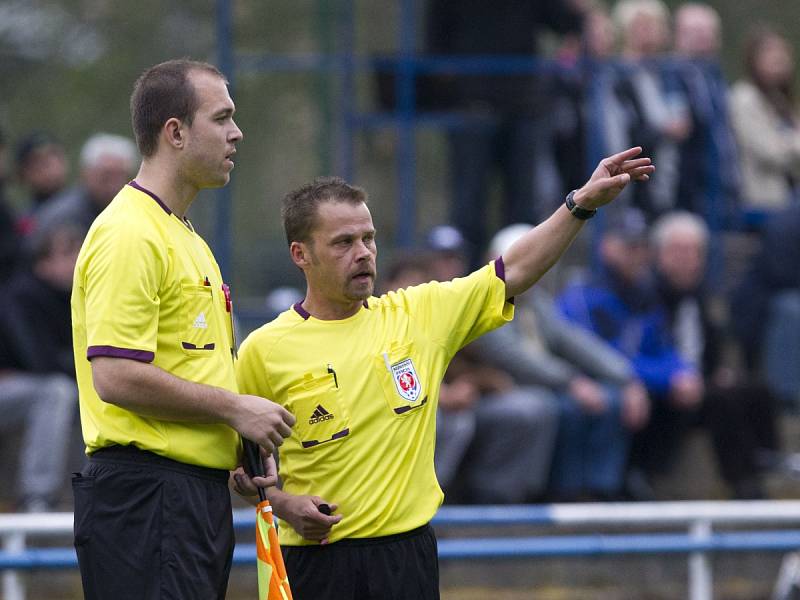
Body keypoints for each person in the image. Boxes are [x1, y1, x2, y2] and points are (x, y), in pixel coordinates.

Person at [235, 147, 654, 599]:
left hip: (406, 558)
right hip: (312, 563)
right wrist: (282, 504)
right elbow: (239, 465)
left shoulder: (419, 314)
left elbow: (513, 269)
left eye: (369, 239)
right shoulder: (264, 350)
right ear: (301, 253)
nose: (363, 253)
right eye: (343, 242)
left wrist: (580, 204)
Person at [70, 59, 295, 599]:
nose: (236, 133)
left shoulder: (185, 236)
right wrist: (236, 408)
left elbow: (188, 366)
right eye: (222, 118)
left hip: (187, 500)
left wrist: (237, 443)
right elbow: (117, 377)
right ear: (175, 132)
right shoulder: (129, 232)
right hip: (147, 499)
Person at [471, 223, 650, 501]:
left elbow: (574, 341)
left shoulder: (534, 301)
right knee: (561, 407)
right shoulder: (483, 301)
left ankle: (599, 489)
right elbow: (514, 357)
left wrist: (626, 377)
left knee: (611, 399)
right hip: (506, 387)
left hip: (544, 384)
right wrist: (572, 381)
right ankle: (548, 491)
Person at [557, 208, 703, 497]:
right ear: (607, 246)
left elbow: (661, 347)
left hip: (627, 380)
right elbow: (594, 355)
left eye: (642, 247)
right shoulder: (584, 294)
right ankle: (583, 491)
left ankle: (636, 479)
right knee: (609, 401)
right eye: (629, 246)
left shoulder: (645, 293)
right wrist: (640, 379)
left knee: (680, 394)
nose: (637, 254)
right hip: (580, 380)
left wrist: (681, 373)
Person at [651, 211, 780, 498]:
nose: (687, 258)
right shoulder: (647, 297)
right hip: (665, 389)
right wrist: (675, 377)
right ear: (659, 254)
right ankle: (743, 484)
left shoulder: (702, 296)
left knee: (756, 389)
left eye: (693, 251)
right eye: (678, 250)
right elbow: (647, 348)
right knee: (724, 402)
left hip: (700, 381)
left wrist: (717, 371)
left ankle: (770, 461)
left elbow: (711, 349)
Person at [0, 220, 82, 512]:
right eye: (68, 254)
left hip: (23, 387)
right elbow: (40, 360)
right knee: (57, 392)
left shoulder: (71, 297)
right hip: (11, 387)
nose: (77, 261)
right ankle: (38, 496)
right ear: (43, 262)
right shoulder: (22, 295)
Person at [668, 3, 741, 221]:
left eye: (708, 31)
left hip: (721, 185)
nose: (703, 37)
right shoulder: (670, 74)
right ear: (678, 35)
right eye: (695, 31)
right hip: (686, 187)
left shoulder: (715, 75)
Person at [729, 26, 800, 213]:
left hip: (789, 195)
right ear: (754, 60)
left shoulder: (779, 99)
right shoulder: (745, 98)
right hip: (763, 201)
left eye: (782, 53)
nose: (780, 59)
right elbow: (769, 152)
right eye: (770, 53)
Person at [32, 132, 138, 238]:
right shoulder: (63, 217)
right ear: (85, 173)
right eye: (106, 176)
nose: (114, 185)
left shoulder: (132, 213)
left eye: (121, 176)